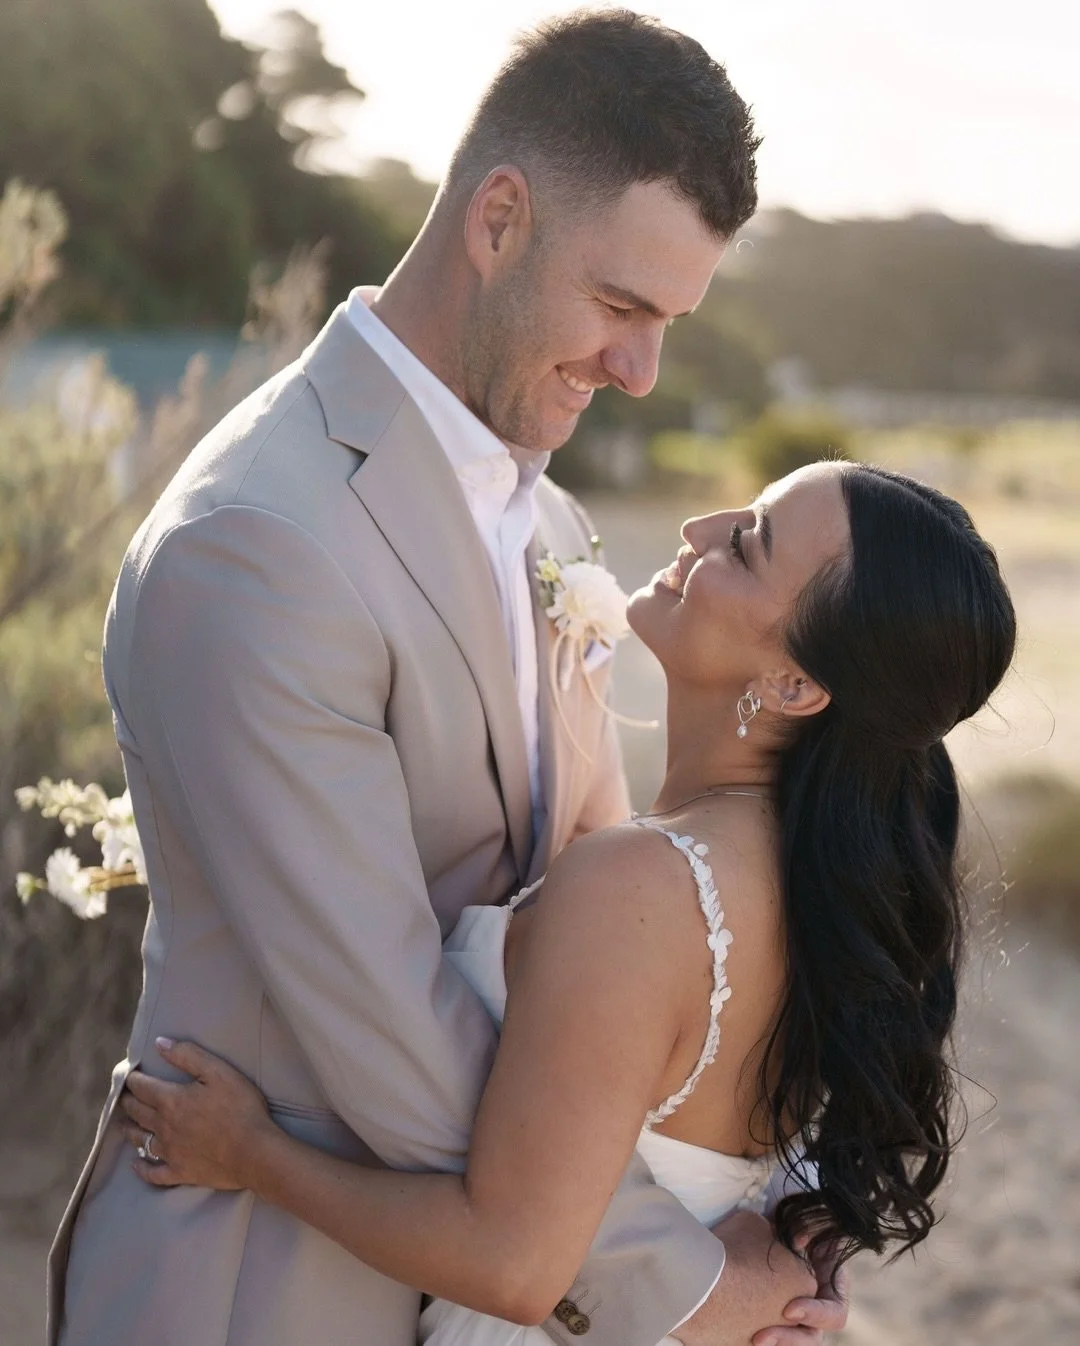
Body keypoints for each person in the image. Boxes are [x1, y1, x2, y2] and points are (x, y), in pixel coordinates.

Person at [48, 9, 847, 1346]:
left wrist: (774, 1209)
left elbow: (613, 922)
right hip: (266, 1285)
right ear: (499, 220)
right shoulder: (258, 545)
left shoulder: (554, 524)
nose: (641, 371)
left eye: (668, 322)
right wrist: (692, 1283)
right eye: (621, 307)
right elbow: (386, 1028)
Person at [116, 460, 1018, 1346]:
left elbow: (512, 1266)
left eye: (747, 546)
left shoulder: (643, 887)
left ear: (795, 686)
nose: (699, 530)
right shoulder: (831, 890)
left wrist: (252, 1155)